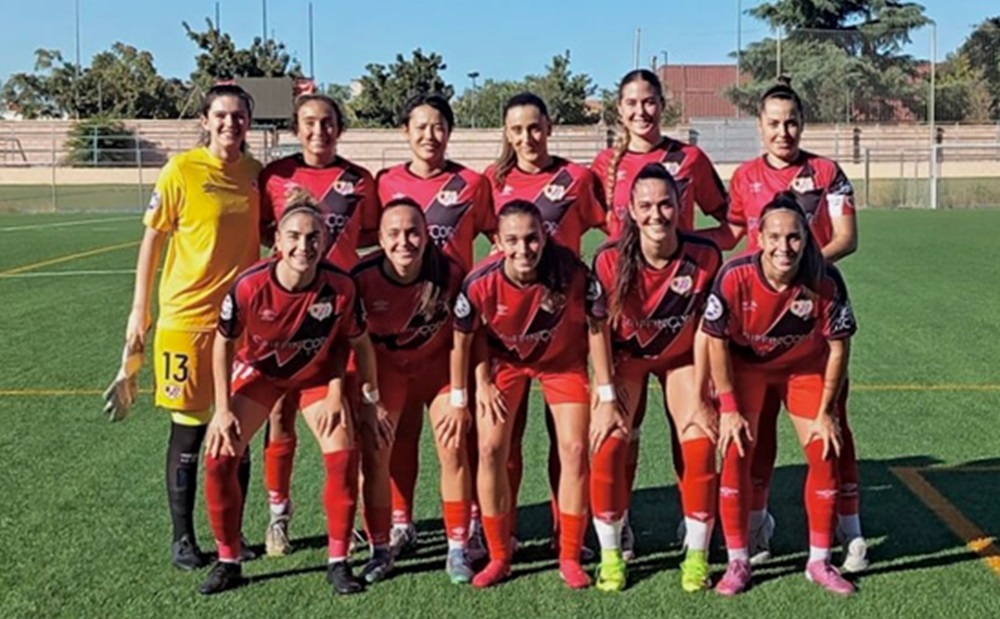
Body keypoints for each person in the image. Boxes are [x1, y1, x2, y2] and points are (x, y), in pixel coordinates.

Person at [198, 192, 388, 596]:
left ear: (324, 240)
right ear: (279, 243)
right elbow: (223, 343)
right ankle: (228, 560)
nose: (305, 246)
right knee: (218, 458)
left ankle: (338, 561)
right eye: (296, 237)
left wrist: (359, 397)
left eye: (314, 237)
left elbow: (358, 345)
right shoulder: (249, 286)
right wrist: (221, 408)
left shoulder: (339, 285)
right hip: (262, 374)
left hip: (316, 377)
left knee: (342, 453)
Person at [112, 84, 260, 570]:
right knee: (191, 430)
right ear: (204, 119)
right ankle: (183, 539)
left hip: (241, 324)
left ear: (248, 122)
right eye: (221, 115)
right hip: (186, 322)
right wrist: (140, 310)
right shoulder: (181, 170)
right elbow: (151, 242)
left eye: (239, 116)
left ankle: (230, 538)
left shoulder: (256, 174)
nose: (230, 124)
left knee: (237, 432)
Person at [590, 67, 734, 559]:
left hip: (681, 316)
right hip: (627, 322)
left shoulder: (689, 158)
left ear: (662, 104)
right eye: (631, 103)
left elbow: (731, 221)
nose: (641, 111)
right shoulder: (602, 165)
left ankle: (691, 519)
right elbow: (570, 222)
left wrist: (695, 250)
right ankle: (619, 523)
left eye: (649, 101)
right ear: (619, 109)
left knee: (693, 425)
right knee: (618, 433)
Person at [726, 78, 865, 571]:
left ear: (802, 124)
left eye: (792, 122)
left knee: (832, 428)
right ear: (759, 127)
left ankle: (850, 531)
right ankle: (759, 524)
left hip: (814, 316)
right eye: (773, 122)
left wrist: (800, 272)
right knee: (757, 433)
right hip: (757, 325)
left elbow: (846, 237)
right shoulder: (744, 177)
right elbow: (736, 235)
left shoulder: (827, 171)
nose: (783, 131)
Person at [451, 200, 624, 589]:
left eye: (532, 238)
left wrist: (606, 390)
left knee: (575, 449)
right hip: (504, 366)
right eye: (512, 240)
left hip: (562, 364)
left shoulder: (571, 271)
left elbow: (598, 327)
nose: (523, 249)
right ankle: (499, 554)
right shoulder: (480, 281)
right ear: (497, 242)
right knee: (491, 448)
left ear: (545, 236)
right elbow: (465, 338)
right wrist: (476, 388)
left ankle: (569, 551)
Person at [703, 192, 857, 597]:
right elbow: (715, 341)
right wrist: (730, 408)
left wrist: (826, 412)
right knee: (736, 448)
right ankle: (739, 559)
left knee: (825, 448)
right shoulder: (734, 275)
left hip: (804, 369)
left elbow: (839, 347)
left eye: (793, 237)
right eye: (775, 237)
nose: (783, 247)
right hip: (747, 368)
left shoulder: (824, 278)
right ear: (759, 237)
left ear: (806, 238)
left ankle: (819, 561)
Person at [257, 93, 380, 557]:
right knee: (279, 418)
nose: (318, 131)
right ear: (296, 126)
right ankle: (278, 518)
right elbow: (263, 232)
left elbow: (371, 236)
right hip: (284, 319)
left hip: (338, 318)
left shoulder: (359, 181)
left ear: (340, 127)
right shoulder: (276, 176)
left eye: (327, 122)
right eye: (309, 122)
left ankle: (355, 522)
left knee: (344, 419)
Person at [484, 92, 606, 556]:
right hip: (508, 334)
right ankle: (504, 535)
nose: (526, 138)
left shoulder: (575, 177)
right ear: (506, 133)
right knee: (504, 443)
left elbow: (610, 227)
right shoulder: (491, 182)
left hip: (563, 330)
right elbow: (480, 237)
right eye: (516, 130)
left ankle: (568, 534)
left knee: (568, 443)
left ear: (550, 126)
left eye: (534, 127)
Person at [590, 163, 721, 592]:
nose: (656, 214)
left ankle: (697, 552)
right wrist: (606, 395)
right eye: (645, 205)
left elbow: (707, 329)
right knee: (609, 442)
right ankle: (612, 552)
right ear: (630, 209)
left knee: (700, 439)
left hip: (681, 358)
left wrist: (704, 391)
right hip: (626, 359)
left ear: (681, 206)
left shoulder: (704, 255)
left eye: (665, 204)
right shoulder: (609, 259)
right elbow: (599, 332)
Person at [375, 93, 495, 557]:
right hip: (395, 340)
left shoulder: (471, 183)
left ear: (450, 131)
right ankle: (402, 523)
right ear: (405, 131)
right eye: (420, 126)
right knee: (401, 434)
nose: (430, 135)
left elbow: (496, 237)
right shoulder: (384, 183)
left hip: (452, 337)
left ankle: (467, 526)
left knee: (456, 436)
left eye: (438, 126)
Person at [352, 198, 473, 584]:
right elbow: (351, 343)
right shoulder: (361, 276)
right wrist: (368, 398)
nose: (405, 241)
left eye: (413, 232)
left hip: (437, 370)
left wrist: (459, 396)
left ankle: (457, 547)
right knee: (376, 451)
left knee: (453, 446)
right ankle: (383, 545)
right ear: (381, 240)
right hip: (385, 371)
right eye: (394, 233)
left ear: (427, 235)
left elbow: (464, 337)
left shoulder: (449, 272)